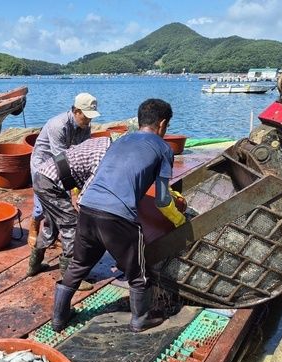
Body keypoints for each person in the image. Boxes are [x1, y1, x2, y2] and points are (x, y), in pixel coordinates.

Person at [51, 98, 187, 333]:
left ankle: (59, 319)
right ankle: (140, 320)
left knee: (79, 264)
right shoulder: (163, 148)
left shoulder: (121, 140)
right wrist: (181, 222)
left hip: (87, 208)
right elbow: (163, 199)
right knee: (138, 272)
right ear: (163, 124)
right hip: (117, 216)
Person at [27, 136, 112, 290]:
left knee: (51, 224)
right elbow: (85, 196)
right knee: (71, 225)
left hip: (43, 177)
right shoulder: (105, 158)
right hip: (51, 182)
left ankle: (34, 264)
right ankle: (69, 276)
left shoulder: (103, 141)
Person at [28, 92, 100, 247]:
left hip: (65, 159)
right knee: (44, 200)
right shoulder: (58, 125)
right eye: (86, 117)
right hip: (44, 161)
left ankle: (56, 230)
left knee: (62, 200)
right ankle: (34, 224)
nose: (88, 121)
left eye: (91, 117)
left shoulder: (85, 126)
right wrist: (74, 189)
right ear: (76, 111)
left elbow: (83, 151)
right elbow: (60, 160)